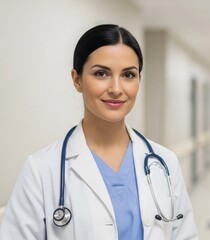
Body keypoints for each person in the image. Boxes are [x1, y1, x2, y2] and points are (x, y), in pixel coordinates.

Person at [0, 24, 198, 240]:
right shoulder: (41, 170)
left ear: (139, 80)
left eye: (128, 75)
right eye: (101, 73)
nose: (116, 88)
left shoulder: (164, 162)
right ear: (77, 80)